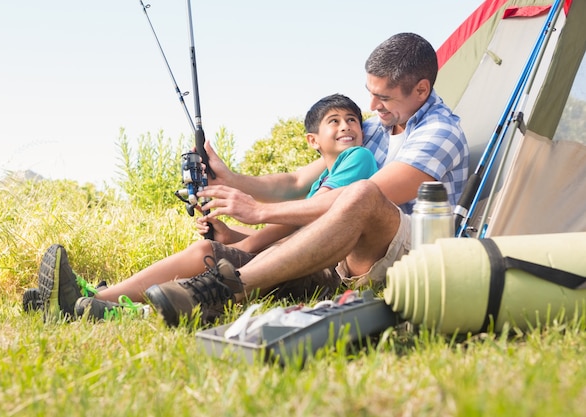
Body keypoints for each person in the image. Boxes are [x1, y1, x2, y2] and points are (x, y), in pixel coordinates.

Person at [143, 32, 470, 327]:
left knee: (363, 194)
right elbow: (297, 182)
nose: (371, 106)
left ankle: (224, 288)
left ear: (421, 89)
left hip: (415, 253)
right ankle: (110, 300)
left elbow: (361, 199)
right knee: (219, 246)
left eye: (383, 97)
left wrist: (260, 213)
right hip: (346, 246)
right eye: (370, 93)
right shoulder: (373, 128)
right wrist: (231, 178)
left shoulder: (439, 132)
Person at [31, 93, 378, 321]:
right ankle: (101, 303)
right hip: (304, 261)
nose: (346, 126)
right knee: (212, 250)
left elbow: (312, 220)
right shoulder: (326, 177)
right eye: (334, 120)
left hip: (326, 273)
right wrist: (234, 235)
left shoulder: (357, 158)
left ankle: (90, 300)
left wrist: (244, 237)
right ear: (312, 141)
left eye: (352, 120)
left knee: (207, 253)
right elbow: (296, 231)